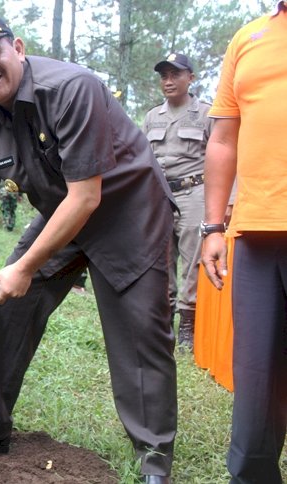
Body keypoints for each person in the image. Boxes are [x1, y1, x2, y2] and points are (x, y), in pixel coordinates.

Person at [0, 11, 177, 483]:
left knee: (139, 332)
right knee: (10, 305)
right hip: (61, 211)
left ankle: (154, 457)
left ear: (18, 48)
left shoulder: (71, 88)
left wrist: (24, 265)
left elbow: (88, 195)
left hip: (129, 212)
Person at [201, 2, 287, 482]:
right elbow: (224, 139)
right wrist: (214, 227)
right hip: (256, 237)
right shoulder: (248, 39)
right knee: (255, 391)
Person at [142, 53, 213, 349]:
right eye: (164, 76)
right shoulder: (151, 117)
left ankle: (188, 324)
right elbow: (142, 159)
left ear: (191, 78)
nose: (168, 81)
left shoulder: (206, 113)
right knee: (161, 259)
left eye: (175, 75)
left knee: (193, 261)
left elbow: (223, 157)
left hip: (195, 192)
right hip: (160, 195)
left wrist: (228, 203)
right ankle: (163, 321)